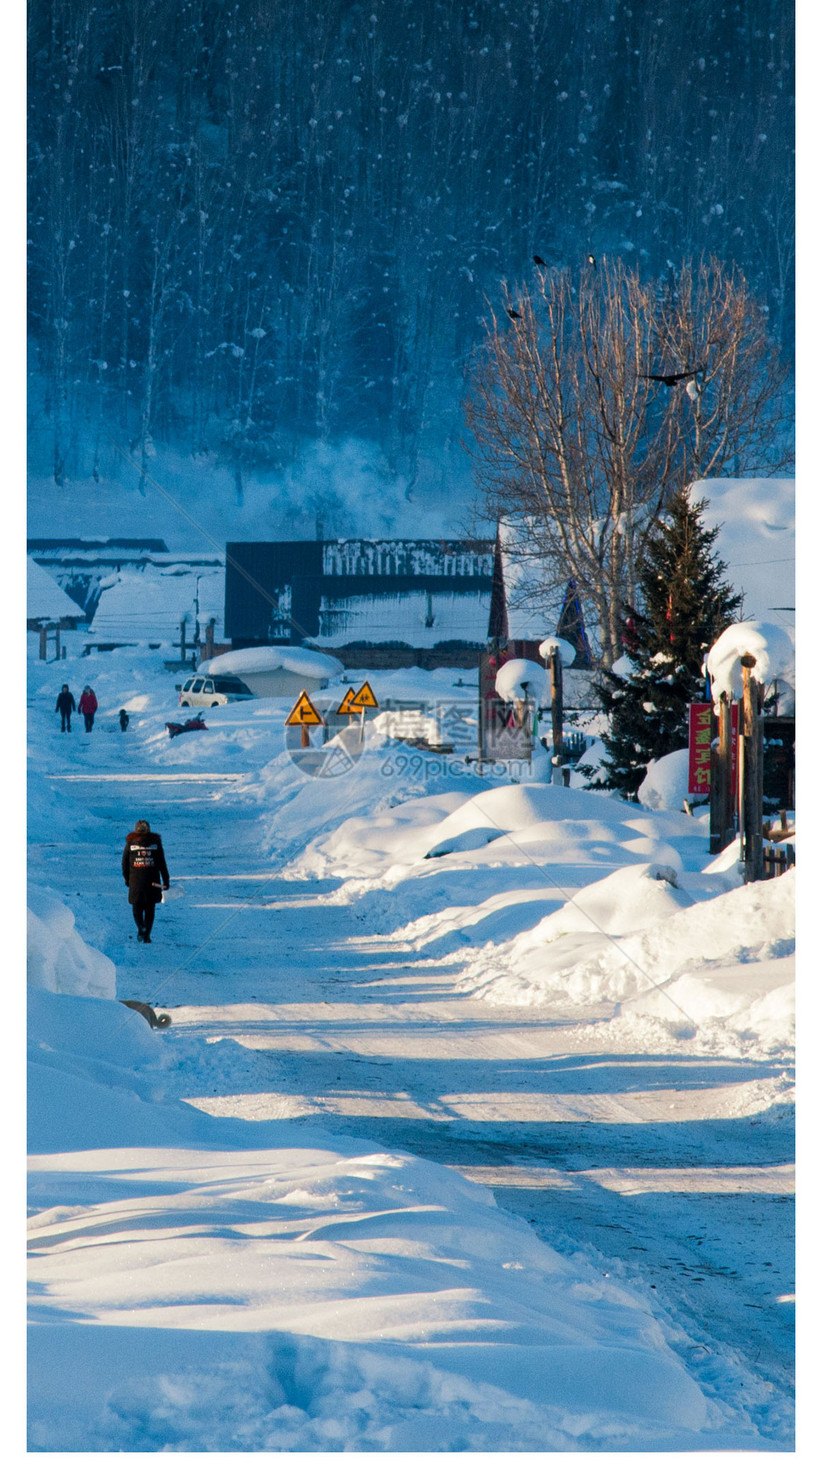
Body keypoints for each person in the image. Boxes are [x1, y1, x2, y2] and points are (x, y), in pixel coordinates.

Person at [121, 819, 170, 943]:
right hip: (152, 881)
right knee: (150, 908)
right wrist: (166, 881)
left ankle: (140, 927)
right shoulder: (155, 843)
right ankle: (147, 935)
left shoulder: (130, 844)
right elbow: (162, 864)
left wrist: (127, 879)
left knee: (136, 907)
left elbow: (125, 864)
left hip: (135, 881)